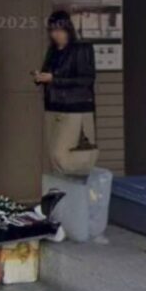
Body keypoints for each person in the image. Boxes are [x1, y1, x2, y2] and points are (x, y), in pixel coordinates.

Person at [34, 11, 99, 176]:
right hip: (53, 106)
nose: (55, 34)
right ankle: (63, 187)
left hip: (75, 107)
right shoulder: (53, 50)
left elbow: (86, 79)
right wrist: (40, 77)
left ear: (68, 29)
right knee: (53, 156)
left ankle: (79, 180)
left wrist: (54, 79)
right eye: (52, 30)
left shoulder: (81, 49)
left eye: (59, 30)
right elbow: (48, 73)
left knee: (62, 154)